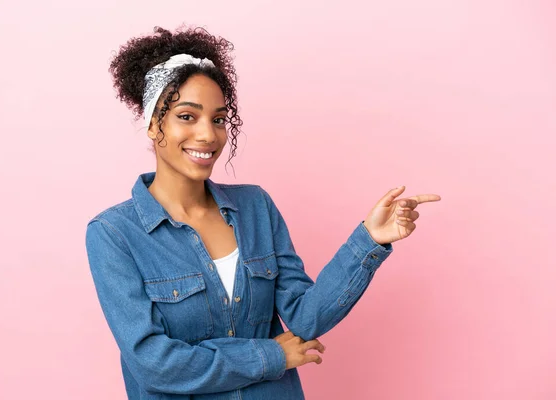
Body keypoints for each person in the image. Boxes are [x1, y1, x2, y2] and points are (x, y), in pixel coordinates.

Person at [85, 26, 441, 400]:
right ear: (152, 122)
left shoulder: (255, 207)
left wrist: (369, 240)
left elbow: (305, 318)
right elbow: (154, 364)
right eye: (187, 117)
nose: (208, 135)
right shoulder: (113, 234)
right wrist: (271, 355)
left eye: (219, 119)